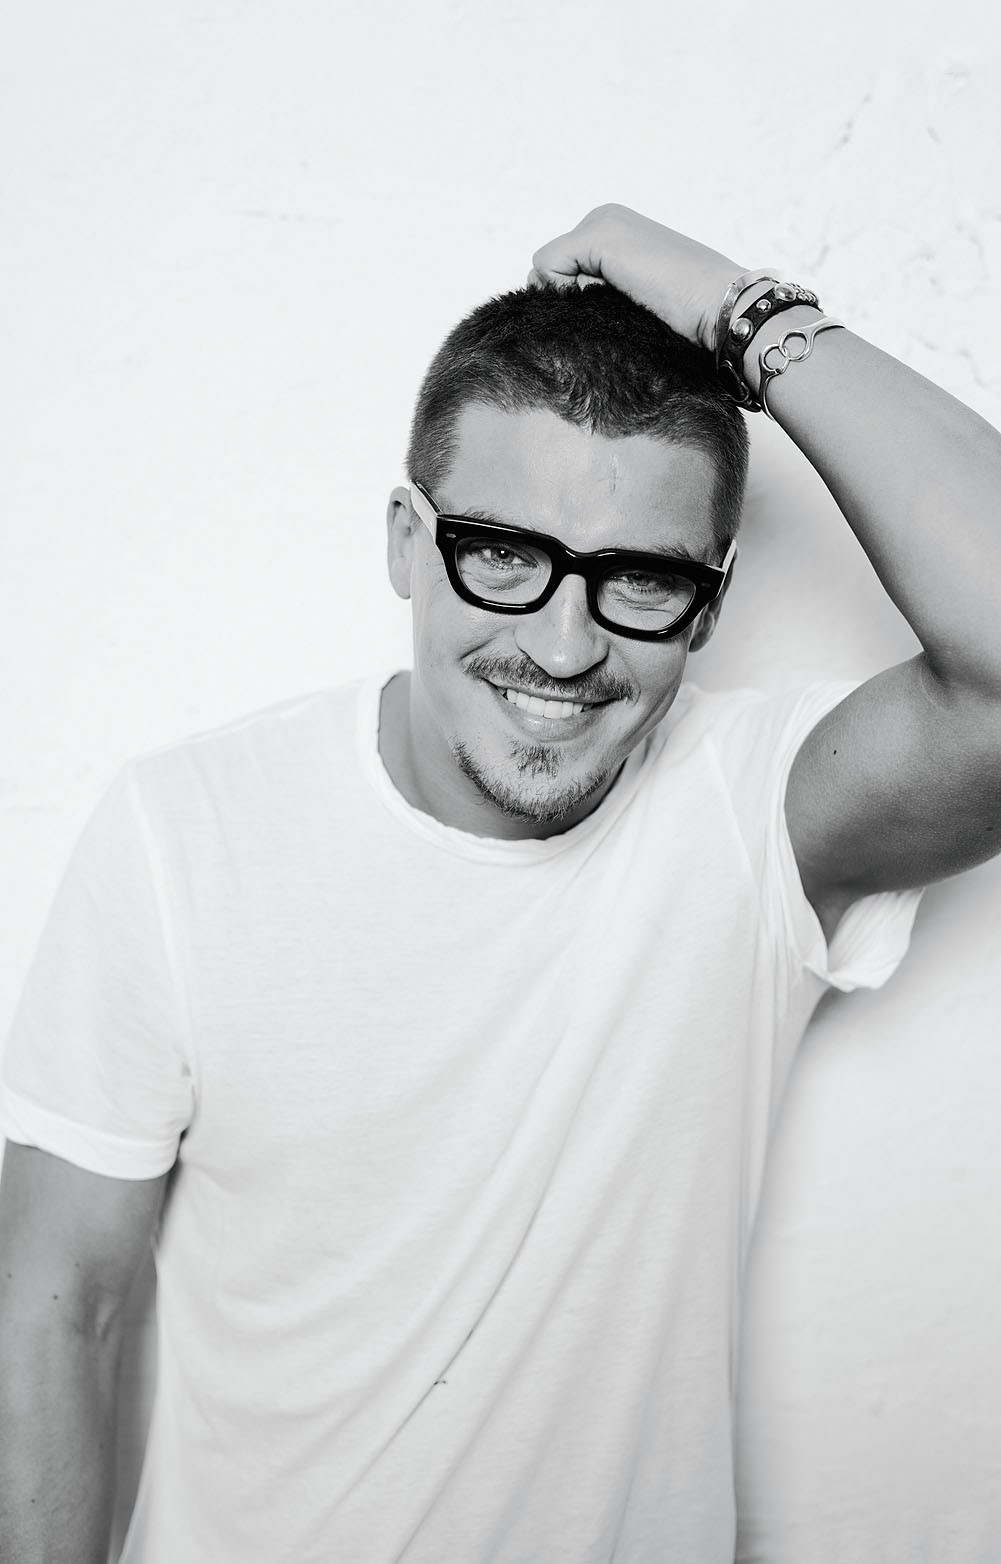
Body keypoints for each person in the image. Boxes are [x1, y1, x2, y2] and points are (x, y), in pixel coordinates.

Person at [1, 202, 999, 1564]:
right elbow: (60, 1301)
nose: (564, 646)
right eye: (505, 556)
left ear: (707, 606)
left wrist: (738, 307)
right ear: (406, 542)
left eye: (639, 580)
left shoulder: (752, 817)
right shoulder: (185, 831)